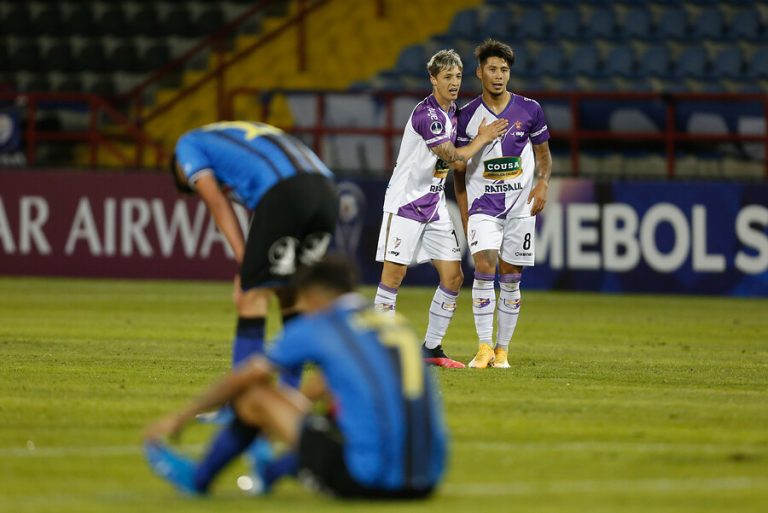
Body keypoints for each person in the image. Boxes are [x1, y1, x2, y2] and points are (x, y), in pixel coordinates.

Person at [144, 256, 447, 499]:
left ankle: (197, 480)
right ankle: (269, 474)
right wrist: (293, 409)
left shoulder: (322, 325)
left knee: (254, 397)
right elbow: (328, 384)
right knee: (332, 417)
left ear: (315, 295)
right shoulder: (395, 326)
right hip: (427, 479)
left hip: (367, 481)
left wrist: (180, 417)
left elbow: (246, 376)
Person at [170, 121, 338, 388]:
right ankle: (290, 394)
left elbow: (216, 201)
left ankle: (243, 403)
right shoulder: (238, 133)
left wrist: (245, 262)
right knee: (291, 293)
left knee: (251, 294)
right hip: (328, 192)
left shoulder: (188, 143)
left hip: (286, 190)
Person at [374, 49, 509, 369]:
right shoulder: (427, 116)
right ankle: (381, 351)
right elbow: (455, 159)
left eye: (458, 76)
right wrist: (484, 137)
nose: (454, 82)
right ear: (432, 79)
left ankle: (431, 347)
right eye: (447, 77)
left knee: (453, 276)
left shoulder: (454, 113)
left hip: (434, 205)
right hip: (406, 202)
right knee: (393, 276)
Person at [454, 39, 552, 369]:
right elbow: (458, 169)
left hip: (521, 206)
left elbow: (544, 156)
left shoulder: (530, 109)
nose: (499, 76)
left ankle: (502, 350)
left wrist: (542, 182)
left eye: (505, 70)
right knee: (484, 267)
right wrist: (464, 208)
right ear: (479, 72)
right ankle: (482, 347)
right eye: (493, 69)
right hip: (483, 205)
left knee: (511, 275)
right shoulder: (465, 116)